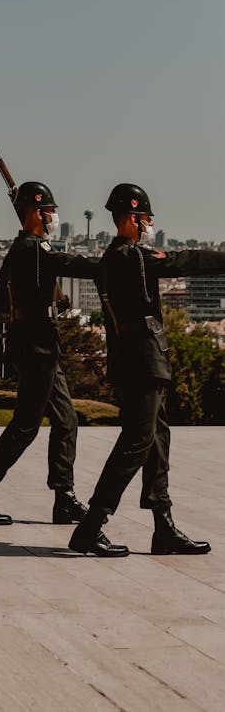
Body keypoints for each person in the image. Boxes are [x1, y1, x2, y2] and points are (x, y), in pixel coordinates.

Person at [69, 183, 225, 558]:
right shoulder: (131, 257)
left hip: (136, 360)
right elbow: (183, 260)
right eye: (147, 218)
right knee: (137, 443)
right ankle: (91, 526)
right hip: (143, 362)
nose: (151, 223)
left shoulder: (115, 257)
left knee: (156, 442)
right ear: (133, 218)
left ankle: (163, 527)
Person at [0, 182, 99, 527]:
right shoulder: (31, 250)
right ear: (36, 213)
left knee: (66, 420)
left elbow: (2, 301)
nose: (53, 216)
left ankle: (64, 498)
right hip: (36, 346)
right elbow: (75, 263)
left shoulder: (29, 249)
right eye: (49, 210)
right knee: (24, 427)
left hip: (42, 345)